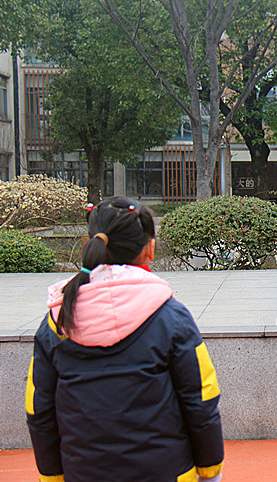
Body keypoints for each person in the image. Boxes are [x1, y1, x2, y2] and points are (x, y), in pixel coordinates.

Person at [25, 197, 224, 482]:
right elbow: (200, 401)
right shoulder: (171, 316)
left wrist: (52, 476)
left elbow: (39, 410)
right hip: (166, 473)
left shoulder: (58, 319)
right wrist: (209, 470)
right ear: (150, 249)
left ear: (90, 242)